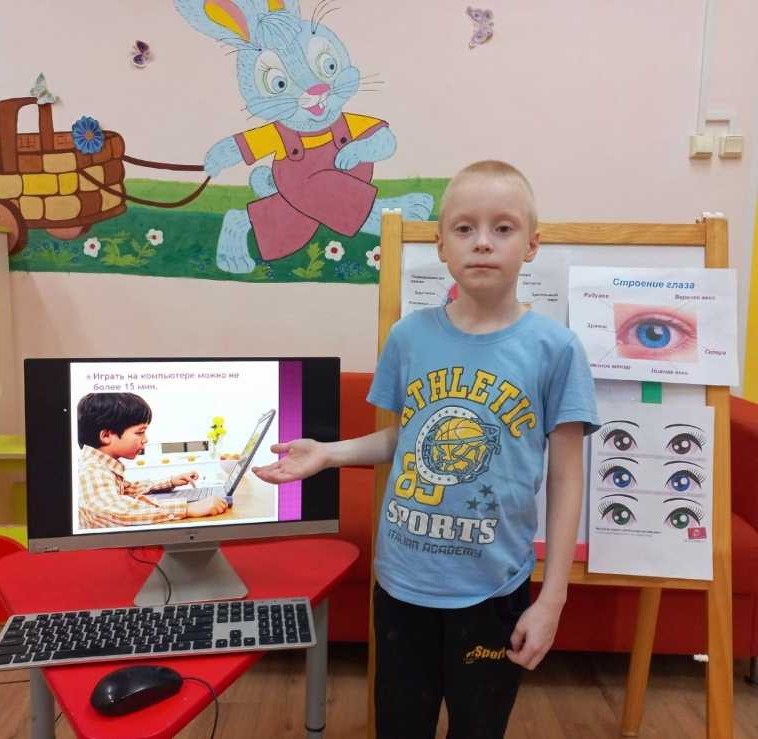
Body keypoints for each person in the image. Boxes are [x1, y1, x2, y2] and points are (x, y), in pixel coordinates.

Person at [253, 160, 599, 738]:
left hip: (494, 589)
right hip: (402, 585)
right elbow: (406, 437)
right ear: (441, 246)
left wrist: (553, 599)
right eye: (464, 228)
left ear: (532, 245)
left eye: (503, 228)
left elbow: (567, 477)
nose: (482, 242)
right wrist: (330, 453)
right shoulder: (409, 337)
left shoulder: (556, 349)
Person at [76, 392, 228, 528]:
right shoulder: (92, 470)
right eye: (140, 432)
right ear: (106, 436)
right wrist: (188, 508)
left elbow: (127, 490)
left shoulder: (101, 465)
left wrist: (170, 481)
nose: (145, 439)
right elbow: (117, 510)